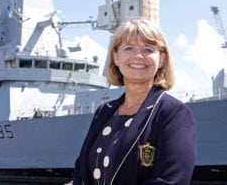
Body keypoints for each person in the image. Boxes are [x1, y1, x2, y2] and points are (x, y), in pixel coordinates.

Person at [72, 18, 197, 184]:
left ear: (161, 59)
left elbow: (171, 181)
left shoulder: (173, 113)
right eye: (129, 48)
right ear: (116, 57)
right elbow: (81, 173)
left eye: (148, 49)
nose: (138, 56)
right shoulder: (104, 112)